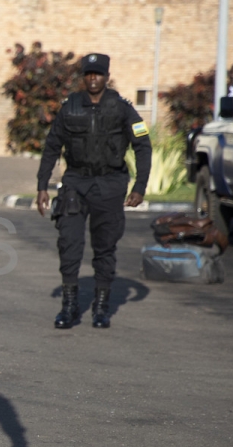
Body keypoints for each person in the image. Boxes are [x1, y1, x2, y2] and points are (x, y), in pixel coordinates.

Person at [36, 53, 151, 329]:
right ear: (83, 76)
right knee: (69, 244)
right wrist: (42, 186)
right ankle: (70, 306)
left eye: (98, 74)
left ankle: (101, 308)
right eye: (88, 74)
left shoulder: (121, 108)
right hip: (75, 182)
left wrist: (140, 187)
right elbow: (52, 146)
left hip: (110, 185)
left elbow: (143, 145)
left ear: (106, 76)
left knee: (105, 247)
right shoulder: (70, 107)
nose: (93, 78)